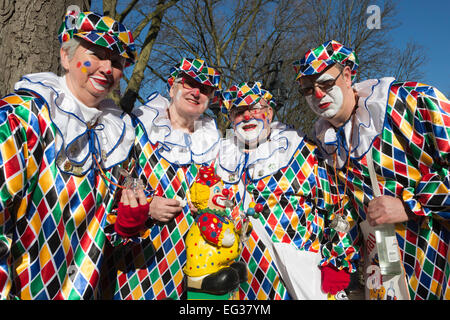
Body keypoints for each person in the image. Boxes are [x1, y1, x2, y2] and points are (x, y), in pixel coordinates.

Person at [293, 40, 450, 300]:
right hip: (383, 276)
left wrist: (410, 205)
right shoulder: (324, 143)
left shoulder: (407, 101)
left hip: (436, 263)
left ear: (347, 75)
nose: (318, 95)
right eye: (308, 89)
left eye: (326, 83)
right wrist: (339, 262)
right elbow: (339, 210)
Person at [0, 7, 137, 299]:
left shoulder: (115, 137)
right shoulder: (22, 117)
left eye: (115, 61)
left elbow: (103, 230)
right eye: (97, 55)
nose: (106, 68)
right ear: (66, 56)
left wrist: (128, 221)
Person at [217, 81, 360, 299]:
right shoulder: (219, 158)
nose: (247, 117)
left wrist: (338, 262)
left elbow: (338, 204)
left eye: (255, 109)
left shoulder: (300, 149)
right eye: (239, 112)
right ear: (230, 118)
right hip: (244, 278)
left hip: (301, 273)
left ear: (270, 112)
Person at [105, 58, 222, 300]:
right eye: (189, 83)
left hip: (200, 261)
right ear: (172, 87)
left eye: (205, 89)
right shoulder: (137, 127)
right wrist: (147, 205)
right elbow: (114, 183)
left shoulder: (216, 142)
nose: (196, 92)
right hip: (142, 259)